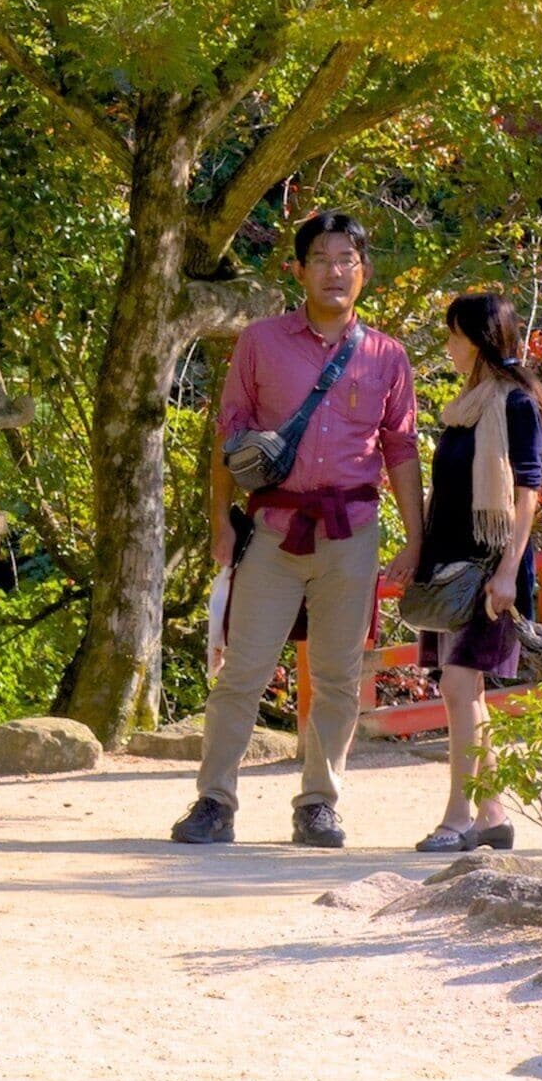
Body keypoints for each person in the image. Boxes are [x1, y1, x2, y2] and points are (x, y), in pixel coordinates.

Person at [172, 212, 422, 850]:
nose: (335, 271)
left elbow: (400, 450)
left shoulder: (387, 355)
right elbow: (229, 434)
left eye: (347, 259)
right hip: (274, 528)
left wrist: (415, 537)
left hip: (351, 528)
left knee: (339, 675)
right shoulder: (261, 341)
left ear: (363, 271)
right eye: (321, 259)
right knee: (242, 671)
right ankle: (214, 800)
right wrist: (220, 527)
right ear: (299, 269)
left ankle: (319, 802)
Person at [396, 290, 542, 852]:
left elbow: (529, 490)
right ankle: (492, 813)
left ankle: (458, 816)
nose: (448, 346)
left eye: (454, 335)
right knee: (466, 690)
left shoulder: (514, 405)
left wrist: (508, 571)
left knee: (460, 685)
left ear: (479, 340)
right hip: (449, 563)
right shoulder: (467, 406)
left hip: (488, 569)